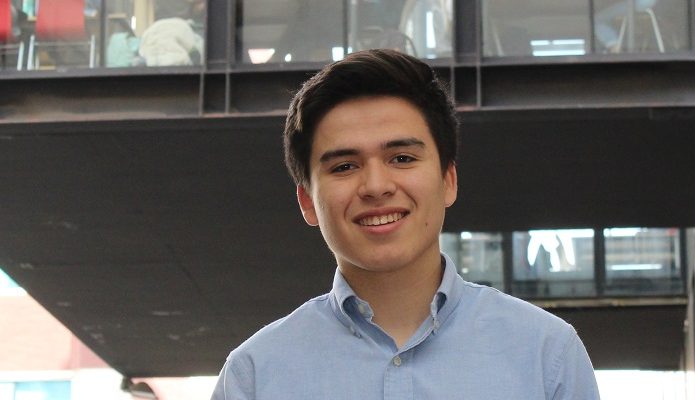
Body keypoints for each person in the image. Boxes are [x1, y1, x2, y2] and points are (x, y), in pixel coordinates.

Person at [210, 49, 600, 400]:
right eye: (344, 166)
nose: (376, 186)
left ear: (448, 180)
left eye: (402, 158)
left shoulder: (546, 354)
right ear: (307, 202)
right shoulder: (254, 376)